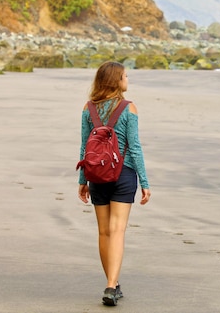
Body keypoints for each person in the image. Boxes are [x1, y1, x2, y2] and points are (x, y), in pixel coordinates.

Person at [77, 61, 151, 306]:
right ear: (116, 81)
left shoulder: (89, 110)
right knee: (118, 230)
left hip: (97, 175)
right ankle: (111, 285)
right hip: (124, 173)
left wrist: (82, 180)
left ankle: (112, 282)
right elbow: (136, 148)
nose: (128, 80)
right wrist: (145, 181)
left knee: (103, 231)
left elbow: (84, 148)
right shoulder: (129, 109)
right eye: (125, 76)